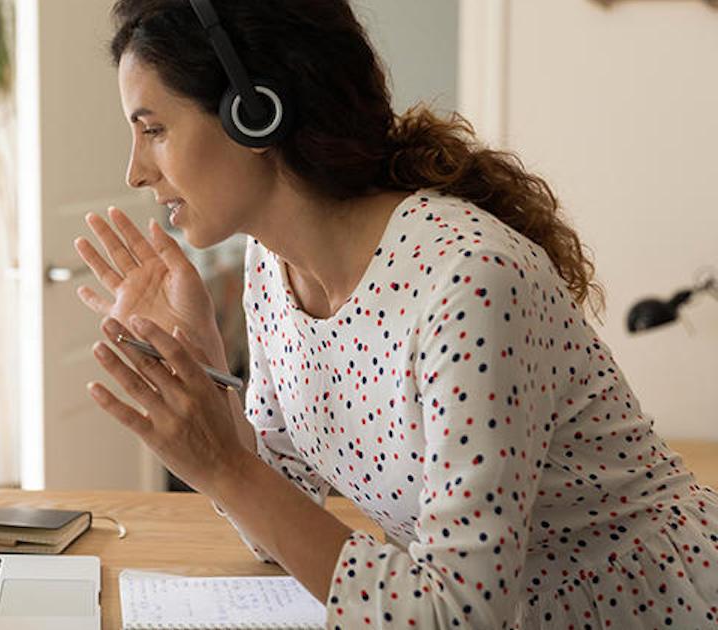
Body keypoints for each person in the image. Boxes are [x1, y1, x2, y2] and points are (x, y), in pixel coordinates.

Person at [72, 0, 718, 627]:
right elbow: (280, 523)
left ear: (255, 113)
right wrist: (209, 370)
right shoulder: (273, 268)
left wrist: (223, 466)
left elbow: (454, 615)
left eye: (153, 129)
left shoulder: (469, 282)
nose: (134, 172)